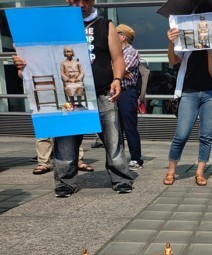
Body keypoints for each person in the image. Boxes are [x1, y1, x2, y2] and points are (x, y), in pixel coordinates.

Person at [13, 0, 134, 197]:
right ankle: (65, 182)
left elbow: (118, 58)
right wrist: (23, 66)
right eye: (75, 0)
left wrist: (118, 78)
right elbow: (39, 61)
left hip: (101, 93)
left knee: (113, 140)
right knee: (65, 140)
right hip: (67, 94)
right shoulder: (55, 26)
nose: (81, 4)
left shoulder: (105, 25)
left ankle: (121, 178)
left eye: (85, 0)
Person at [162, 26, 212, 187]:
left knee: (206, 136)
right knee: (181, 134)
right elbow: (173, 60)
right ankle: (171, 170)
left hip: (210, 94)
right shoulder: (187, 41)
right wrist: (171, 43)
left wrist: (208, 49)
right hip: (189, 93)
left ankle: (200, 172)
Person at [116, 24, 144, 171]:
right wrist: (119, 71)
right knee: (115, 127)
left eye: (116, 34)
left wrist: (118, 70)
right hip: (115, 90)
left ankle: (136, 158)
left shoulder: (132, 52)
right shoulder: (114, 53)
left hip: (127, 92)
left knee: (129, 126)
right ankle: (118, 157)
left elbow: (123, 68)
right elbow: (114, 70)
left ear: (123, 37)